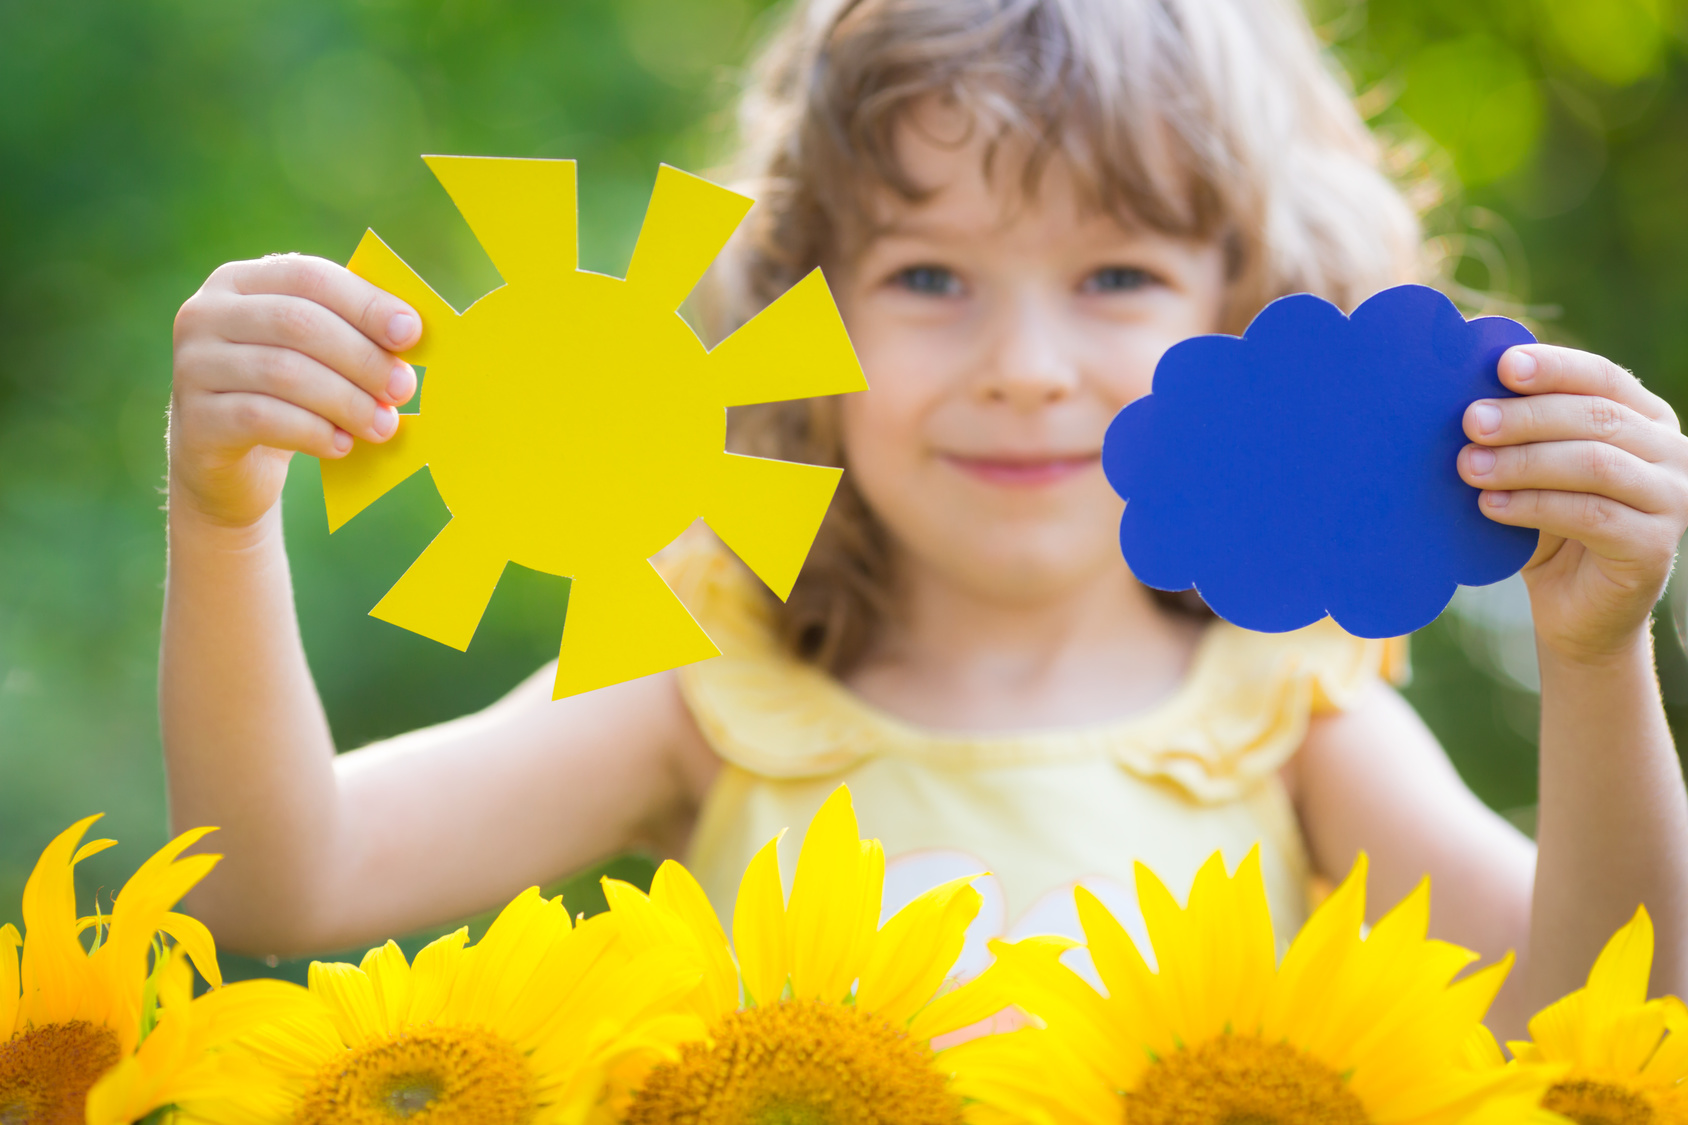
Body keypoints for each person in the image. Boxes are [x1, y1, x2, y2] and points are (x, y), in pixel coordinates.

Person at [162, 0, 1688, 1036]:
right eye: (929, 279)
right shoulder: (718, 677)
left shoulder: (1285, 705)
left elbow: (1610, 1012)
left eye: (1115, 279)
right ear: (799, 317)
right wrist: (225, 518)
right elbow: (284, 879)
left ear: (1251, 314)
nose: (1025, 372)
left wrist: (1598, 657)